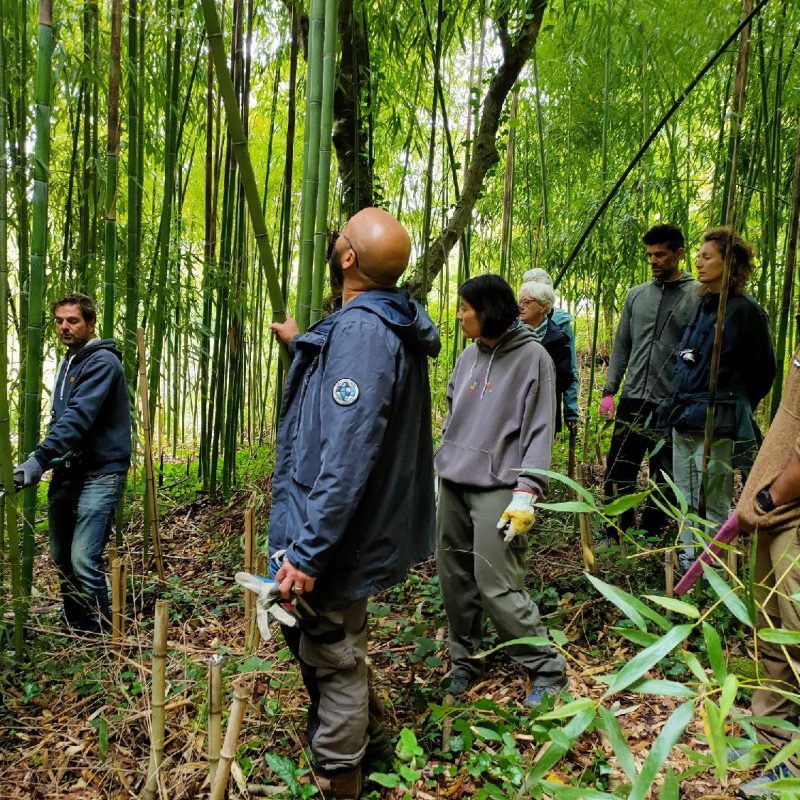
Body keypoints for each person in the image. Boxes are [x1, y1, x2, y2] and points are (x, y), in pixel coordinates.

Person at [268, 207, 440, 798]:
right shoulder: (375, 323)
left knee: (332, 655)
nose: (333, 237)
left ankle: (341, 778)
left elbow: (347, 453)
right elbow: (353, 407)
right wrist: (305, 347)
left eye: (338, 234)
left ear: (347, 258)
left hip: (339, 536)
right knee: (326, 643)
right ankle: (377, 741)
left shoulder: (364, 333)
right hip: (350, 528)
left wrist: (309, 553)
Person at [435, 274, 567, 707]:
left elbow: (540, 430)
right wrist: (441, 471)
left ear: (487, 311)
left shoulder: (534, 359)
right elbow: (455, 414)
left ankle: (547, 670)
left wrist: (527, 490)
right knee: (454, 580)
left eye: (464, 309)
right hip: (454, 480)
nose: (458, 316)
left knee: (496, 585)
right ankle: (466, 660)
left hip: (500, 486)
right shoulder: (467, 356)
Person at [14, 294, 131, 634]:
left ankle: (109, 628)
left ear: (91, 323)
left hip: (102, 471)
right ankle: (78, 621)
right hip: (69, 469)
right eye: (60, 321)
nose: (65, 327)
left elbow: (78, 419)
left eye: (73, 320)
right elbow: (62, 420)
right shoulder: (70, 361)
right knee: (61, 554)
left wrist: (38, 459)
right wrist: (47, 459)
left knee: (82, 558)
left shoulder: (102, 362)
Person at [663, 229, 774, 570]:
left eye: (708, 256)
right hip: (684, 414)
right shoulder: (702, 304)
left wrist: (733, 402)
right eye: (698, 255)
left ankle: (709, 568)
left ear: (732, 264)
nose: (699, 261)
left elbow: (764, 371)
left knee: (713, 498)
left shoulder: (746, 311)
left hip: (718, 417)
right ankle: (686, 561)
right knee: (684, 496)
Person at [599, 223, 698, 541]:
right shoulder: (636, 296)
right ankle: (615, 528)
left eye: (661, 254)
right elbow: (622, 346)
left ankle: (651, 532)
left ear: (678, 254)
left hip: (670, 401)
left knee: (664, 472)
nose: (654, 260)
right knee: (618, 466)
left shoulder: (697, 297)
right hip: (632, 396)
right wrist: (609, 391)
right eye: (650, 255)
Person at [732, 345, 800, 796]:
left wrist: (769, 496)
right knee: (772, 625)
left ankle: (792, 766)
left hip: (789, 509)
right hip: (780, 514)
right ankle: (771, 735)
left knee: (796, 633)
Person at [523, 268, 580, 430]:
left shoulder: (560, 326)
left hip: (547, 405)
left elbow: (569, 371)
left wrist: (571, 411)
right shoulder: (515, 323)